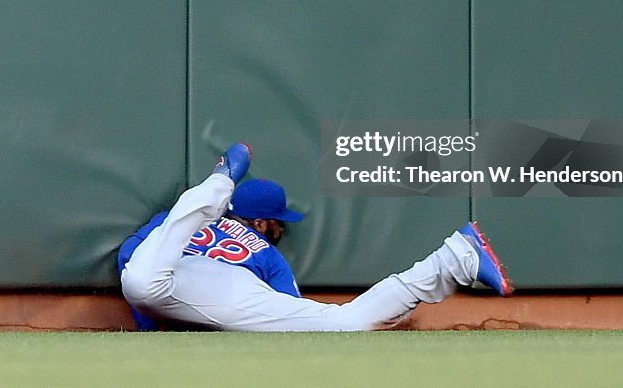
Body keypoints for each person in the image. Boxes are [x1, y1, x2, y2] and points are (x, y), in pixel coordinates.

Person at [118, 142, 512, 332]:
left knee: (141, 276)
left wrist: (150, 327)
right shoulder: (267, 256)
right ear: (259, 223)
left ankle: (219, 181)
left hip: (181, 267)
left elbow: (128, 255)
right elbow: (291, 316)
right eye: (277, 223)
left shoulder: (170, 223)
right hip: (222, 287)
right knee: (337, 323)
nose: (281, 230)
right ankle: (452, 259)